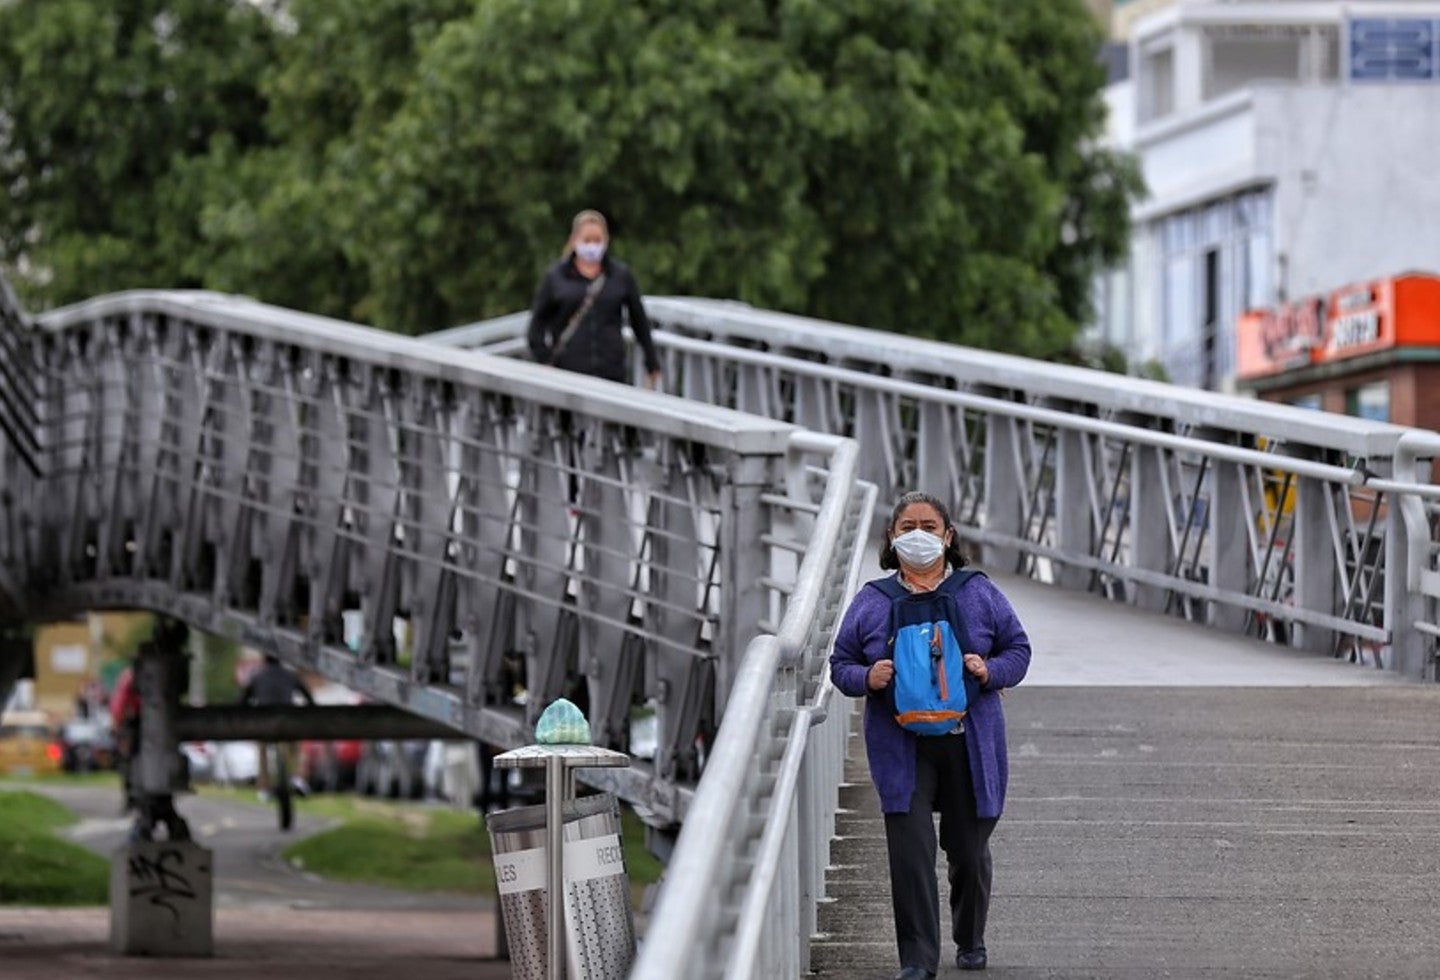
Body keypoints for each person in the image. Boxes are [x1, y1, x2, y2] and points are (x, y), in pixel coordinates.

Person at [829, 491, 1032, 978]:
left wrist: (991, 670)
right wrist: (865, 678)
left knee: (967, 847)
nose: (917, 535)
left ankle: (970, 935)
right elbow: (840, 663)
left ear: (948, 536)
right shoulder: (871, 602)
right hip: (902, 747)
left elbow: (1018, 649)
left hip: (968, 741)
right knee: (911, 853)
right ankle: (917, 960)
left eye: (928, 525)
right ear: (891, 537)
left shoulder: (977, 593)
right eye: (906, 527)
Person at [526, 209, 662, 389]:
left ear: (606, 241)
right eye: (587, 240)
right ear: (575, 240)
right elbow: (536, 325)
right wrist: (545, 359)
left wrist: (651, 361)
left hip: (611, 371)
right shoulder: (556, 277)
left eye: (597, 240)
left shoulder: (620, 275)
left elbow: (639, 321)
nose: (592, 246)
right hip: (568, 373)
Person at [239, 655, 314, 799]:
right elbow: (307, 696)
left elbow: (243, 700)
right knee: (298, 748)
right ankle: (299, 778)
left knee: (262, 752)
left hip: (265, 721)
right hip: (288, 719)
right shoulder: (290, 675)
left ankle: (264, 788)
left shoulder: (257, 676)